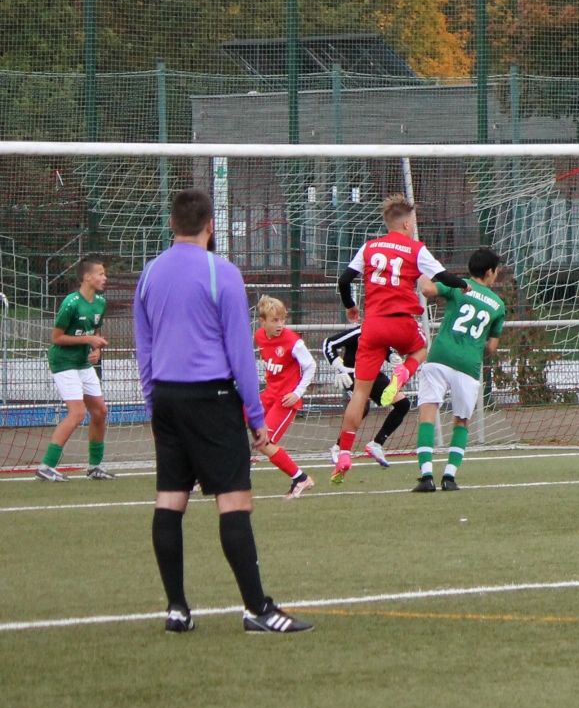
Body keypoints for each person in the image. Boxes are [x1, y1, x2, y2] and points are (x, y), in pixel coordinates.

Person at [135, 188, 309, 633]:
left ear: (172, 225)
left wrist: (154, 407)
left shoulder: (150, 273)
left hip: (167, 399)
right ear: (210, 226)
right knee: (234, 502)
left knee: (170, 501)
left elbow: (145, 349)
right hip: (211, 399)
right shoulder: (223, 273)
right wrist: (256, 419)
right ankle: (257, 609)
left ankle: (176, 609)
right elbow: (240, 354)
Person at [331, 194, 454, 483]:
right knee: (421, 349)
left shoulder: (369, 247)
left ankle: (344, 453)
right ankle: (402, 374)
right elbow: (445, 278)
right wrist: (465, 286)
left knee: (360, 394)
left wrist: (350, 306)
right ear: (407, 223)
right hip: (401, 323)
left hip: (371, 327)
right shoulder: (415, 248)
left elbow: (343, 281)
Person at [413, 248, 506, 493]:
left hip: (440, 356)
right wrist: (473, 344)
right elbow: (492, 347)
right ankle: (449, 477)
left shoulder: (458, 285)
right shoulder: (498, 304)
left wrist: (418, 269)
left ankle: (426, 477)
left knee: (427, 414)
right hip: (468, 364)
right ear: (489, 272)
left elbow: (427, 289)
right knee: (461, 421)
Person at [37, 256, 111, 481]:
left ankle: (95, 466)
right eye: (100, 273)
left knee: (100, 411)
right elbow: (56, 338)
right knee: (78, 412)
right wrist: (87, 339)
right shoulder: (71, 303)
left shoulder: (100, 302)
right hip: (63, 362)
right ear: (87, 277)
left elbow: (95, 332)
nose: (104, 278)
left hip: (82, 362)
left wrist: (96, 348)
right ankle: (46, 467)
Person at [320, 312, 415, 472]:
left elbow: (387, 351)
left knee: (403, 404)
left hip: (374, 375)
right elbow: (328, 344)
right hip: (354, 374)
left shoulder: (386, 335)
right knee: (362, 407)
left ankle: (376, 444)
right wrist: (339, 367)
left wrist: (394, 358)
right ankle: (338, 447)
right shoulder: (359, 332)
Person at [253, 296, 317, 498]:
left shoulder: (293, 341)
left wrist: (297, 393)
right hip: (269, 394)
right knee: (232, 421)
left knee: (264, 443)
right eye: (275, 320)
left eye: (282, 320)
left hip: (285, 400)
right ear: (262, 322)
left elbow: (311, 366)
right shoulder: (259, 337)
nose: (280, 325)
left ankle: (300, 478)